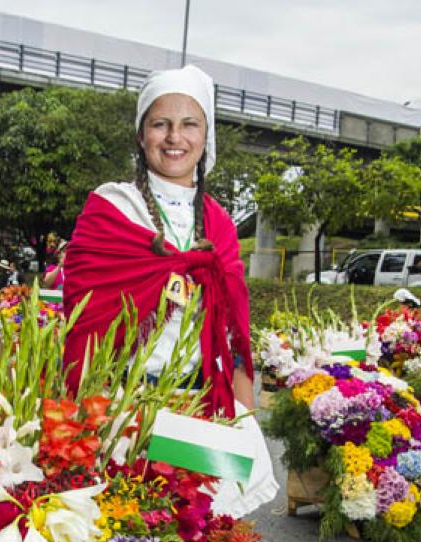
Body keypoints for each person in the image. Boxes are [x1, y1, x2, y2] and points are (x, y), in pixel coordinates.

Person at [63, 65, 278, 517]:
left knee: (194, 538)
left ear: (206, 137)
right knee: (124, 538)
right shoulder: (112, 208)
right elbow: (85, 321)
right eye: (160, 123)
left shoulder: (218, 222)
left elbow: (234, 329)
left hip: (201, 403)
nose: (174, 137)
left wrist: (242, 415)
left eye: (189, 123)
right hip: (122, 406)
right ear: (142, 136)